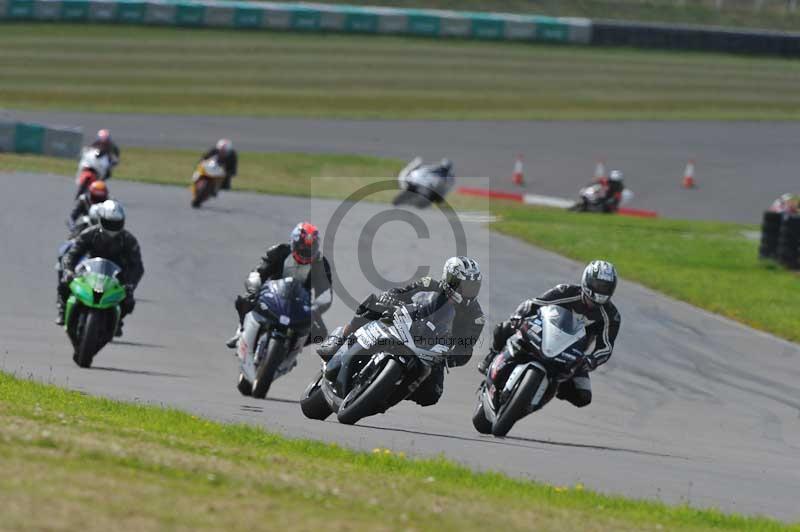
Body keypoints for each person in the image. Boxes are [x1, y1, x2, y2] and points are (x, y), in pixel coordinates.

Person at [319, 256, 485, 407]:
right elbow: (401, 292)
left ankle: (388, 390)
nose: (468, 291)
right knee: (373, 304)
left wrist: (450, 357)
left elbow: (466, 348)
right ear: (450, 279)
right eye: (465, 286)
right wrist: (390, 297)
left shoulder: (476, 317)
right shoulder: (429, 284)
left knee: (432, 394)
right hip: (407, 324)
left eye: (473, 287)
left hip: (434, 349)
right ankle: (341, 339)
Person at [476, 260, 621, 409]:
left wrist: (591, 360)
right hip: (544, 334)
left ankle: (551, 388)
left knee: (583, 396)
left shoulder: (611, 316)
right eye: (598, 285)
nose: (600, 290)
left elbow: (606, 347)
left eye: (605, 287)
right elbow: (533, 304)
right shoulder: (566, 291)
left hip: (572, 355)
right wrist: (518, 317)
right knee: (504, 327)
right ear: (587, 281)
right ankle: (492, 356)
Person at [226, 222, 332, 348]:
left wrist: (317, 307)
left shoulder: (321, 264)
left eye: (310, 249)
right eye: (302, 247)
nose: (305, 252)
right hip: (271, 293)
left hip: (300, 302)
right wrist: (254, 287)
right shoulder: (279, 251)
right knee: (244, 300)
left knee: (320, 332)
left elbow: (325, 291)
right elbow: (259, 271)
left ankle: (293, 348)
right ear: (293, 243)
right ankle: (241, 331)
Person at [57, 200, 144, 335]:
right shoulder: (89, 233)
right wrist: (68, 270)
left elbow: (137, 266)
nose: (112, 227)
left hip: (115, 275)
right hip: (89, 270)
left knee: (129, 301)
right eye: (109, 222)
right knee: (64, 284)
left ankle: (118, 320)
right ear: (101, 220)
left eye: (116, 223)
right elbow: (71, 254)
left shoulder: (128, 240)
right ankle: (62, 311)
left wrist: (130, 284)